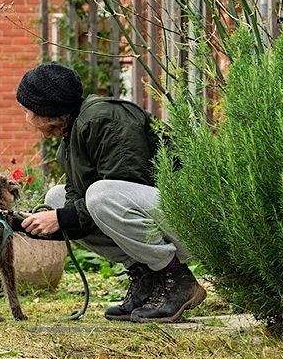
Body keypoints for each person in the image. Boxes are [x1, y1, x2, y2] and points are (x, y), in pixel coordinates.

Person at [15, 62, 205, 323]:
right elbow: (76, 200)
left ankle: (177, 279)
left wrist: (62, 218)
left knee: (101, 196)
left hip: (192, 217)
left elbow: (123, 188)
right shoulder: (71, 137)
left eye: (28, 111)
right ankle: (146, 275)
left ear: (47, 111)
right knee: (56, 199)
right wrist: (41, 222)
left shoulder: (105, 120)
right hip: (156, 213)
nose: (27, 119)